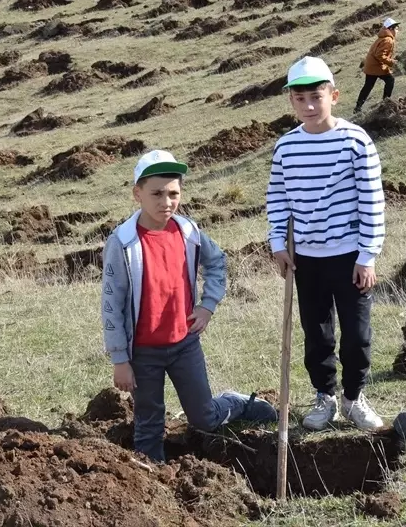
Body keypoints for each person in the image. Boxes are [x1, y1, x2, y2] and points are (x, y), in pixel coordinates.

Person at [101, 149, 278, 462]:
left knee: (204, 417)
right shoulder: (124, 242)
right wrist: (120, 359)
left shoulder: (188, 232)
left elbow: (217, 262)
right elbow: (112, 303)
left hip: (184, 344)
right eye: (156, 193)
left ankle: (237, 403)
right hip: (143, 353)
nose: (165, 202)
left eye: (173, 194)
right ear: (137, 194)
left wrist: (208, 304)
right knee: (149, 424)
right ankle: (153, 481)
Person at [267, 56, 386, 432]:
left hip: (350, 256)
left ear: (334, 95)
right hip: (307, 259)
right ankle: (325, 396)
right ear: (291, 102)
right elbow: (278, 198)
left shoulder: (355, 140)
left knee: (356, 334)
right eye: (300, 99)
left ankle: (354, 398)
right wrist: (278, 243)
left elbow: (372, 199)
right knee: (316, 332)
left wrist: (367, 255)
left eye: (317, 97)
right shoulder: (286, 147)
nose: (309, 106)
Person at [355, 17, 399, 113]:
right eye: (396, 28)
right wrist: (391, 62)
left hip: (370, 66)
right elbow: (379, 55)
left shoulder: (382, 37)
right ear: (391, 29)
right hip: (376, 66)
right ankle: (386, 102)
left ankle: (357, 107)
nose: (397, 30)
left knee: (368, 86)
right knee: (390, 80)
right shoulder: (388, 40)